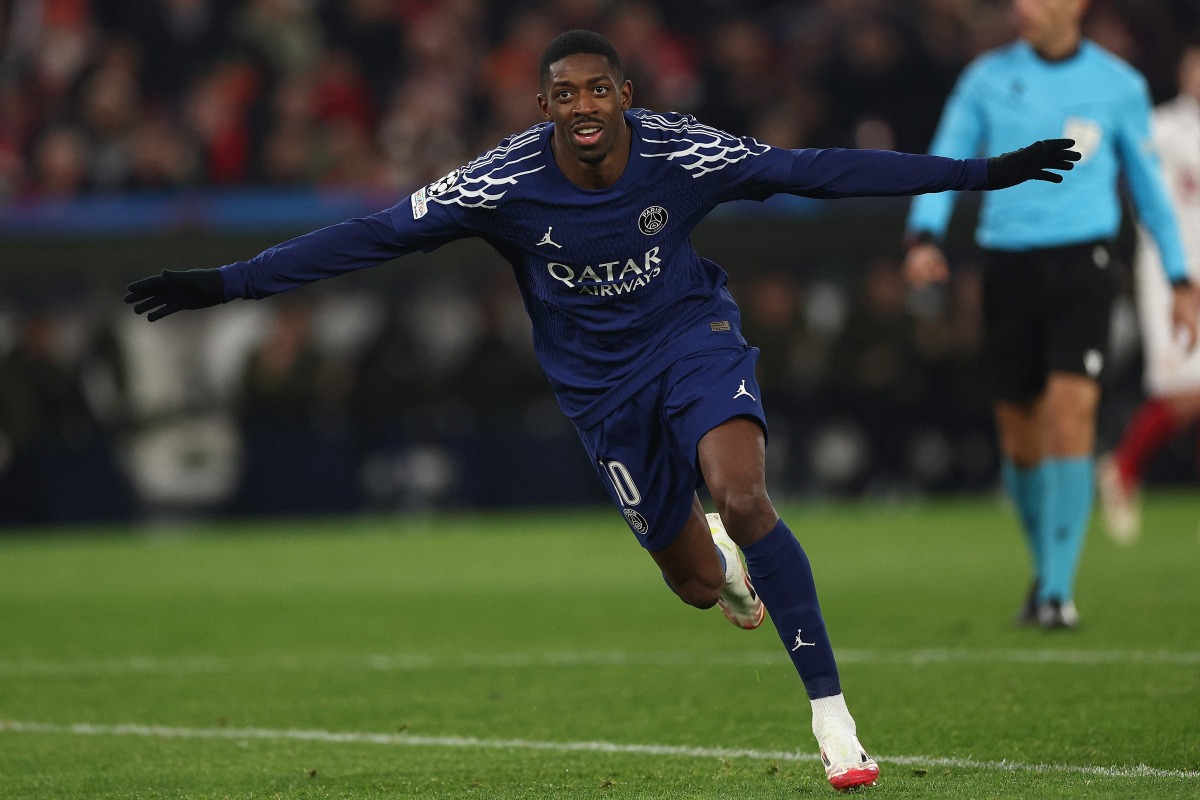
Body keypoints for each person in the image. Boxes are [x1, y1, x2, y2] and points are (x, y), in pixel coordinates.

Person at [126, 29, 1079, 791]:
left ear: (625, 94)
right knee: (700, 585)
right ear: (544, 108)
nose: (585, 107)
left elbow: (813, 168)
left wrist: (977, 175)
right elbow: (373, 236)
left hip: (692, 343)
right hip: (601, 396)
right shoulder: (501, 181)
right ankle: (730, 568)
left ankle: (834, 721)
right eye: (566, 95)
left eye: (601, 90)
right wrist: (230, 282)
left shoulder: (682, 152)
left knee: (746, 497)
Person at [902, 0, 1200, 630]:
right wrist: (923, 236)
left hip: (1084, 265)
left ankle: (1059, 592)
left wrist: (1180, 277)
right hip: (1007, 265)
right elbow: (947, 156)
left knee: (1072, 412)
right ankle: (1046, 573)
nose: (1023, 8)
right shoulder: (985, 77)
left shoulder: (1118, 85)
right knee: (1019, 433)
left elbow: (1149, 186)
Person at [1097, 35, 1200, 544]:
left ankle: (1121, 469)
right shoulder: (1161, 127)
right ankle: (1122, 468)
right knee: (1181, 393)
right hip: (1170, 274)